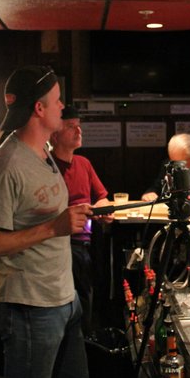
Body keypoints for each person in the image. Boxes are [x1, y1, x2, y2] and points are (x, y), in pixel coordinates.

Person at [0, 66, 93, 378]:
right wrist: (54, 228)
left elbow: (40, 211)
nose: (62, 106)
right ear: (39, 109)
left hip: (63, 299)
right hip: (30, 309)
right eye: (56, 100)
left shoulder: (44, 152)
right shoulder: (7, 163)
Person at [50, 105, 114, 333]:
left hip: (85, 242)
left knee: (89, 298)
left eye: (79, 126)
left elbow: (104, 197)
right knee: (79, 302)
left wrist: (102, 209)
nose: (78, 131)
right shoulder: (46, 166)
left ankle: (85, 342)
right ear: (55, 135)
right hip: (59, 243)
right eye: (71, 127)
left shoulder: (83, 163)